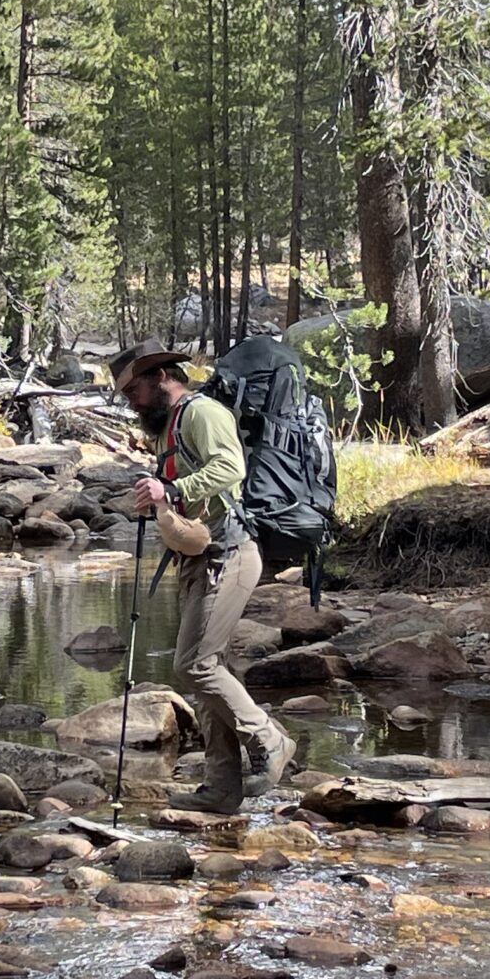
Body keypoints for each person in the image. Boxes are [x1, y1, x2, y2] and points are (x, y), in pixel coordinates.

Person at [110, 339, 298, 813]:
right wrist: (160, 501)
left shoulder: (201, 413)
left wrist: (171, 487)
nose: (130, 401)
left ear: (159, 378)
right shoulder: (166, 428)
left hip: (230, 552)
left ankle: (270, 741)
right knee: (208, 670)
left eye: (133, 390)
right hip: (200, 557)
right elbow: (182, 492)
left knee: (195, 666)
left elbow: (230, 466)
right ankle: (221, 790)